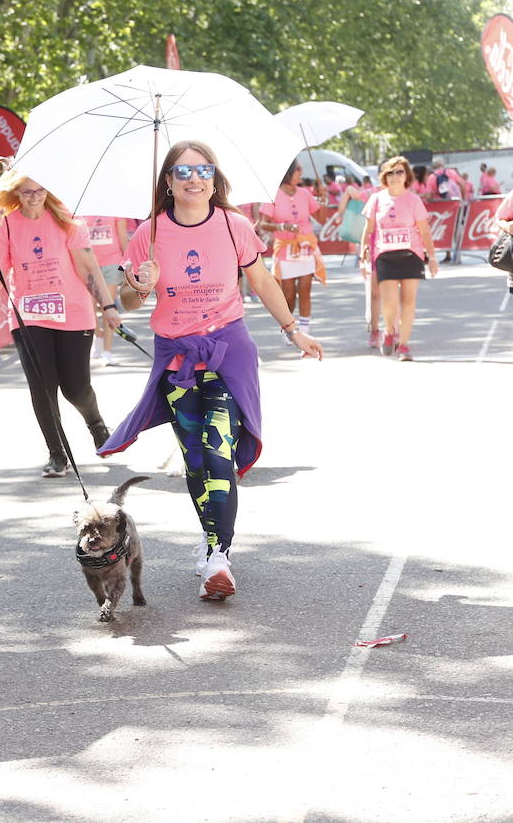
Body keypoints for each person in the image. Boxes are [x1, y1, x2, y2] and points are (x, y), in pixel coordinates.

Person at [98, 141, 324, 602]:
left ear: (214, 177)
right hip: (178, 357)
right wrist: (139, 285)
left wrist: (292, 330)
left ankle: (218, 556)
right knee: (196, 460)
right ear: (168, 182)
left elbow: (261, 280)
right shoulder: (149, 233)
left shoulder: (233, 224)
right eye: (183, 172)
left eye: (203, 170)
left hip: (229, 350)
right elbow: (127, 299)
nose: (194, 179)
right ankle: (209, 545)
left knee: (220, 449)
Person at [0, 170, 122, 479]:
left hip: (74, 313)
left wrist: (109, 306)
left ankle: (96, 424)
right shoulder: (7, 222)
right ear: (15, 194)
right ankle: (57, 453)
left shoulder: (65, 218)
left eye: (39, 191)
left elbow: (88, 266)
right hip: (29, 316)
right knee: (42, 386)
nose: (34, 197)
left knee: (75, 387)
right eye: (26, 192)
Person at [359, 156, 439, 361]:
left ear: (407, 176)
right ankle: (388, 331)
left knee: (409, 301)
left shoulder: (414, 200)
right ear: (385, 176)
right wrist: (363, 254)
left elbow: (425, 231)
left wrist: (432, 258)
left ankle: (403, 345)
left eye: (400, 172)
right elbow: (368, 230)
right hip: (385, 255)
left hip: (411, 255)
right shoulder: (376, 199)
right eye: (391, 172)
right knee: (389, 303)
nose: (395, 176)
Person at [259, 161, 322, 337]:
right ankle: (290, 329)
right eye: (298, 170)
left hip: (305, 246)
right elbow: (263, 224)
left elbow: (321, 217)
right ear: (287, 172)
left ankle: (305, 331)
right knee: (288, 295)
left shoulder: (305, 193)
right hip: (285, 248)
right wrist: (283, 227)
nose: (301, 173)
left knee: (305, 289)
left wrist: (321, 196)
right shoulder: (273, 195)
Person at [77, 214, 130, 366]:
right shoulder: (81, 212)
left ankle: (107, 351)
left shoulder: (115, 211)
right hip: (89, 266)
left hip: (111, 264)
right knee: (89, 309)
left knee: (109, 307)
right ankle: (98, 335)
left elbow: (122, 238)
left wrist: (128, 265)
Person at [335, 179, 382, 347]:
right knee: (374, 292)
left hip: (391, 249)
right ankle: (375, 330)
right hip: (374, 248)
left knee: (387, 293)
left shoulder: (403, 196)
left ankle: (390, 331)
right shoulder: (373, 194)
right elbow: (349, 191)